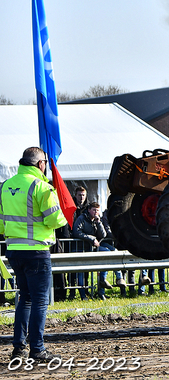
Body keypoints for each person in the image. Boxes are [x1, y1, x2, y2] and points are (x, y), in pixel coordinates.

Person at [0, 147, 67, 362]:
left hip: (14, 251)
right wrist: (63, 214)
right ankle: (37, 349)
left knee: (25, 298)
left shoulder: (6, 185)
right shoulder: (41, 186)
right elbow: (54, 220)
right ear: (40, 164)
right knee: (39, 301)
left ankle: (19, 347)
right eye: (45, 162)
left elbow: (2, 224)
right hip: (36, 251)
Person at [73, 201, 125, 300]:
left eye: (97, 210)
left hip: (95, 245)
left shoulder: (97, 220)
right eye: (94, 210)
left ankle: (118, 278)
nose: (96, 212)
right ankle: (83, 295)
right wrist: (91, 238)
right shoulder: (82, 218)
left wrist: (99, 222)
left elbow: (103, 235)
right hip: (83, 247)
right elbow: (76, 232)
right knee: (81, 273)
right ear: (89, 210)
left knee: (114, 251)